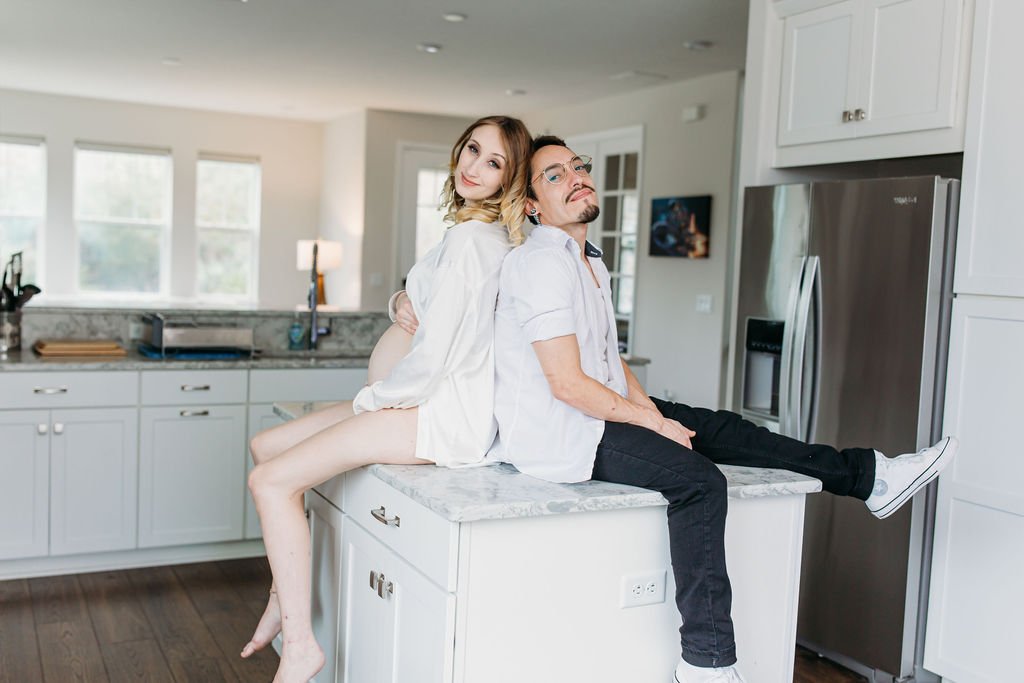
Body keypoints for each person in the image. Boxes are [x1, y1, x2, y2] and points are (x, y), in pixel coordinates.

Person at [486, 135, 958, 683]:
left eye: (578, 166)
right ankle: (707, 664)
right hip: (563, 430)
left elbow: (607, 364)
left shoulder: (589, 259)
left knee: (726, 429)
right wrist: (651, 421)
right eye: (555, 175)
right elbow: (567, 384)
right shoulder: (540, 263)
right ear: (532, 206)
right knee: (700, 482)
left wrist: (652, 412)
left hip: (595, 406)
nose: (576, 177)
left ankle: (870, 477)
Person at [243, 115, 532, 683]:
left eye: (493, 162)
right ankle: (284, 591)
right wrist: (400, 298)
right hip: (407, 403)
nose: (473, 166)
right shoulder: (470, 233)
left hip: (429, 414)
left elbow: (437, 354)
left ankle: (300, 643)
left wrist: (378, 398)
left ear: (511, 178)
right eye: (472, 149)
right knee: (266, 445)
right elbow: (426, 308)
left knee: (269, 481)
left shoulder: (476, 241)